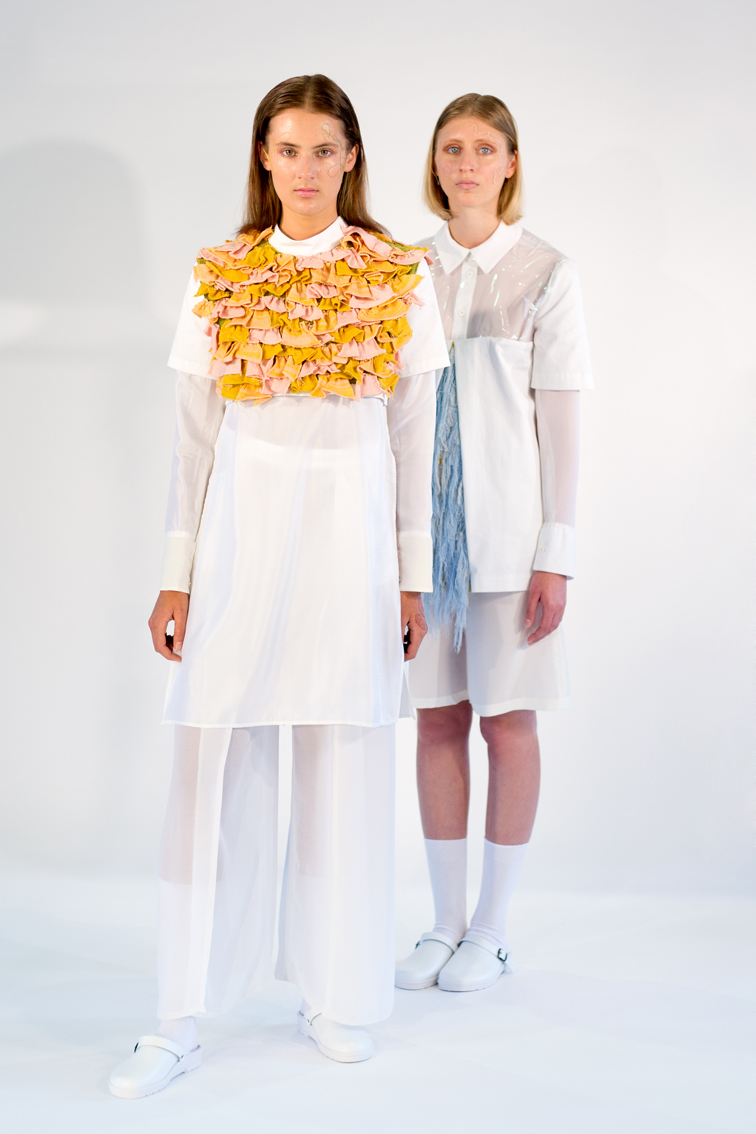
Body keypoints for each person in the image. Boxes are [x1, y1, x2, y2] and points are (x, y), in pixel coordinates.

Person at [109, 73, 448, 1099]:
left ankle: (335, 996)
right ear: (264, 156)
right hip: (240, 542)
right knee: (211, 760)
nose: (305, 168)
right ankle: (179, 1014)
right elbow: (193, 440)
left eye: (323, 149)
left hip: (350, 542)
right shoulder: (220, 274)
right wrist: (176, 573)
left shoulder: (397, 277)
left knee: (344, 757)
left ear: (352, 157)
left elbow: (415, 438)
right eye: (288, 149)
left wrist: (412, 577)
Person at [395, 94, 592, 994]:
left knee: (507, 722)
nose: (467, 163)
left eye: (484, 148)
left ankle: (493, 928)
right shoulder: (402, 271)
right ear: (434, 163)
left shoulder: (546, 272)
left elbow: (562, 422)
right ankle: (443, 922)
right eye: (452, 148)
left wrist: (557, 552)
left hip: (510, 540)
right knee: (437, 719)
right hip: (420, 545)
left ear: (511, 162)